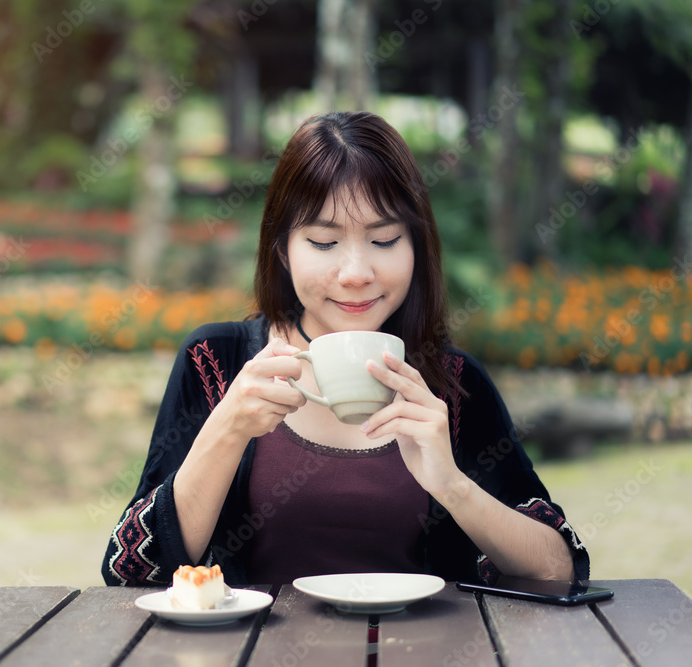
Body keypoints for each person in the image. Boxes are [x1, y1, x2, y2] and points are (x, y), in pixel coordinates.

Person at [101, 111, 588, 587]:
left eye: (384, 239)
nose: (356, 273)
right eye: (323, 241)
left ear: (416, 247)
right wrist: (227, 429)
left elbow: (559, 568)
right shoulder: (217, 362)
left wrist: (453, 485)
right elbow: (130, 569)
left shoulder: (452, 385)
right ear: (283, 251)